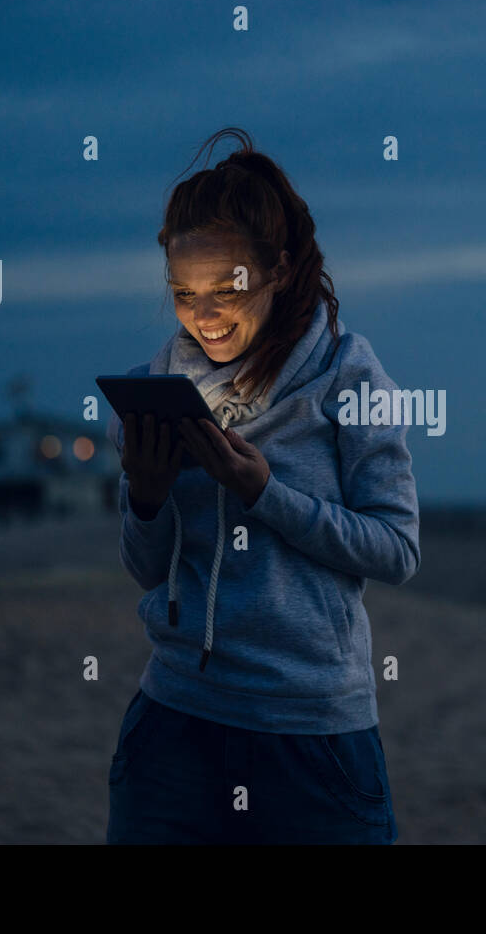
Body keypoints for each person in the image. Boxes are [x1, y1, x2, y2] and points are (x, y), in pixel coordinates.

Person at [104, 127, 420, 844]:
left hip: (311, 737)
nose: (204, 315)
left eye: (226, 289)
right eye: (184, 293)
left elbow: (398, 547)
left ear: (277, 271)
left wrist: (264, 491)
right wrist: (146, 498)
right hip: (175, 725)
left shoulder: (350, 377)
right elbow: (147, 569)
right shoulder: (160, 386)